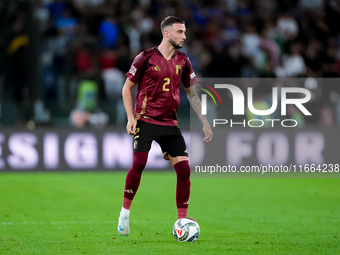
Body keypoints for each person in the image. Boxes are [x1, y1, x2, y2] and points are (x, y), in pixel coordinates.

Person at [118, 16, 213, 236]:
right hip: (145, 118)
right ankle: (124, 214)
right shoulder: (145, 58)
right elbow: (126, 89)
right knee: (139, 163)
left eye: (185, 32)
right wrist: (131, 118)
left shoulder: (184, 61)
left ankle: (182, 221)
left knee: (184, 169)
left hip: (170, 123)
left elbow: (192, 93)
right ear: (167, 33)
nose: (184, 36)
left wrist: (204, 121)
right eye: (180, 32)